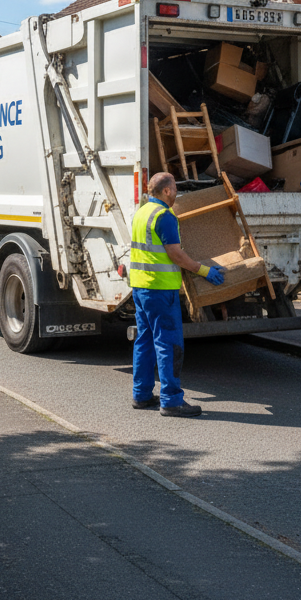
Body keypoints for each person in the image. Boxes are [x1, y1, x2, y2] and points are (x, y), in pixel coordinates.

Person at [129, 172, 225, 417]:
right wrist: (204, 271)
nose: (176, 195)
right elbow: (175, 254)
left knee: (144, 340)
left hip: (141, 287)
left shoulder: (141, 213)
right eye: (175, 190)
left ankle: (141, 395)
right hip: (160, 290)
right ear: (167, 191)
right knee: (168, 344)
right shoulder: (164, 216)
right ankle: (171, 401)